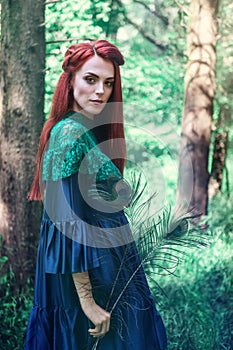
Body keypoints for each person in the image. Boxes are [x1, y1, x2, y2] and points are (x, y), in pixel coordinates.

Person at [24, 39, 167, 350]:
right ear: (71, 80)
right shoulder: (69, 133)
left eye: (108, 83)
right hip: (90, 276)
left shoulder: (80, 130)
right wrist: (87, 301)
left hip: (102, 268)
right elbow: (65, 223)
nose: (101, 91)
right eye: (91, 79)